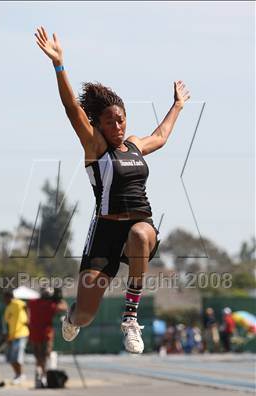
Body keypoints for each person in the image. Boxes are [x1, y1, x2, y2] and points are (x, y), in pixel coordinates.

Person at [35, 26, 190, 354]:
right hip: (105, 230)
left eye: (121, 120)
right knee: (87, 314)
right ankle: (74, 316)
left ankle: (130, 318)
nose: (117, 127)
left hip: (139, 223)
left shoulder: (134, 145)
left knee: (140, 234)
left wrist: (177, 105)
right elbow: (71, 110)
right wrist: (59, 65)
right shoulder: (95, 147)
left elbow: (160, 136)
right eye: (109, 122)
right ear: (99, 125)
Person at [28, 286, 68, 388]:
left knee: (38, 358)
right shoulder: (51, 305)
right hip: (46, 334)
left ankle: (40, 376)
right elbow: (64, 307)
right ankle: (43, 377)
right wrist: (59, 298)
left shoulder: (32, 303)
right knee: (45, 357)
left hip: (34, 334)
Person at [3, 289, 29, 384]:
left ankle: (21, 375)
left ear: (9, 297)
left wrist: (28, 319)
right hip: (12, 336)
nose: (3, 300)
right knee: (10, 357)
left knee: (17, 356)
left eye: (5, 298)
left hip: (21, 334)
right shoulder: (7, 308)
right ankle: (18, 374)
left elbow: (27, 306)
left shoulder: (17, 303)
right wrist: (7, 336)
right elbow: (7, 323)